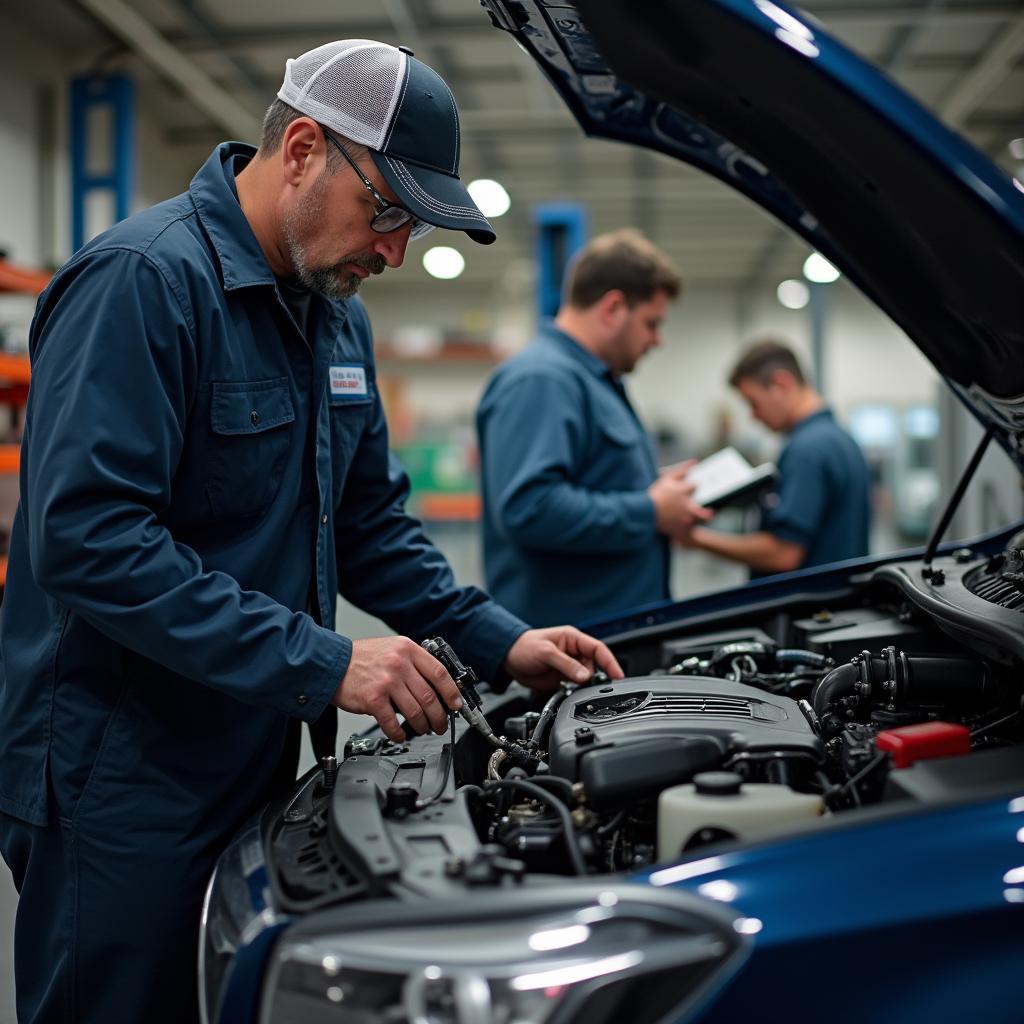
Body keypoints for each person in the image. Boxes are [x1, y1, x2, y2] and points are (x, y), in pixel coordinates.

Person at [0, 40, 622, 1024]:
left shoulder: (334, 320)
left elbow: (369, 525)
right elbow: (89, 540)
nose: (393, 252)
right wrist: (327, 660)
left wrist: (501, 638)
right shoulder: (144, 284)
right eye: (388, 213)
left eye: (410, 228)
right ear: (300, 149)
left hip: (252, 741)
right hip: (119, 772)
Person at [476, 229, 711, 626]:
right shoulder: (543, 380)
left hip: (615, 634)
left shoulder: (596, 381)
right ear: (613, 308)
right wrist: (650, 511)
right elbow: (529, 509)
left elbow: (592, 480)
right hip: (573, 644)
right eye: (651, 323)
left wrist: (659, 491)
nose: (657, 341)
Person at [683, 339, 871, 575]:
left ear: (781, 384)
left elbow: (783, 554)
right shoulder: (840, 438)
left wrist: (695, 539)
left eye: (754, 403)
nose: (753, 416)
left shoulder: (807, 450)